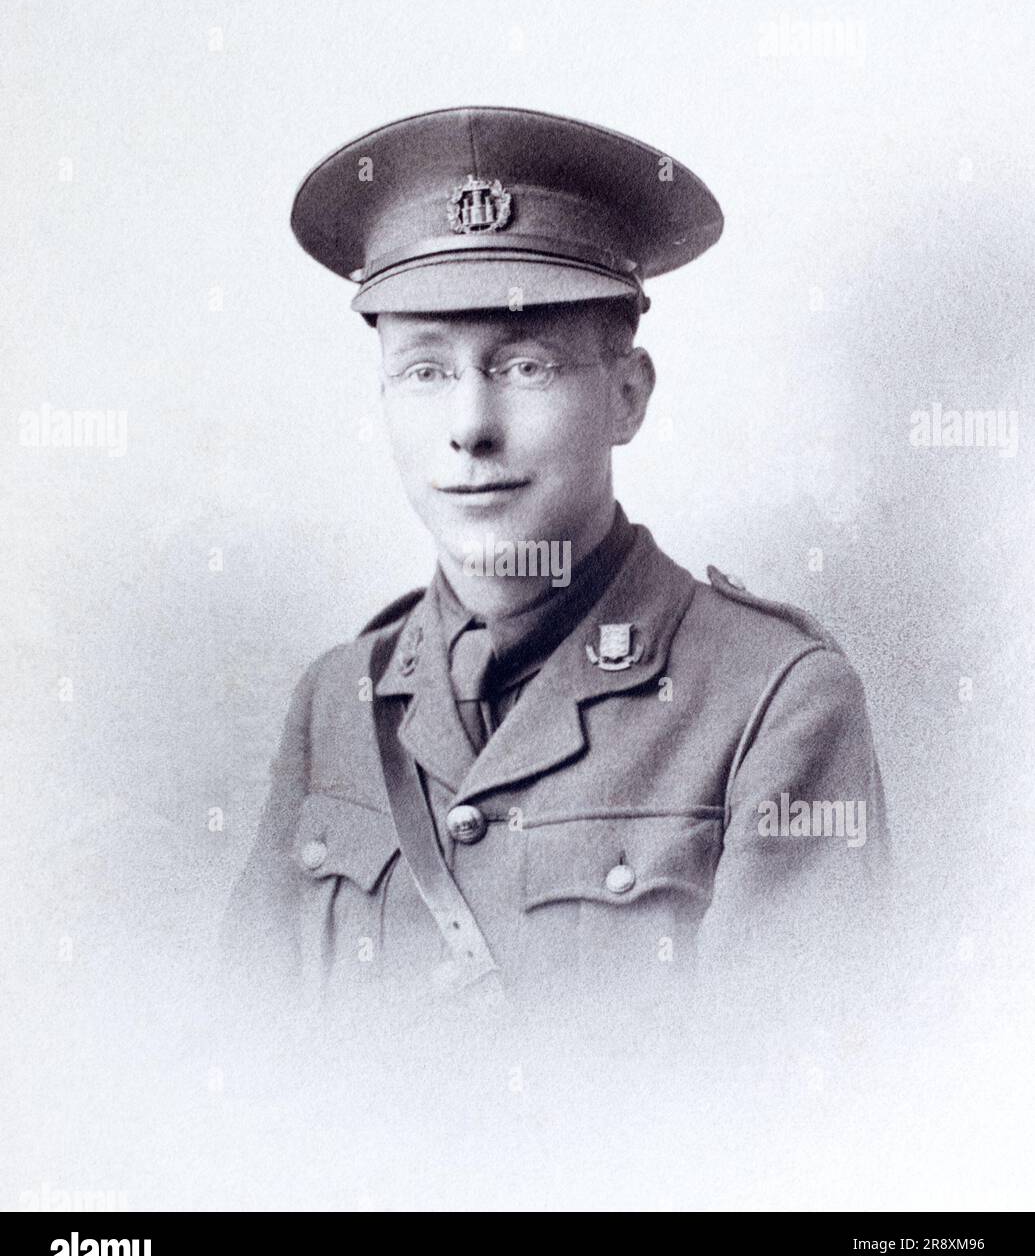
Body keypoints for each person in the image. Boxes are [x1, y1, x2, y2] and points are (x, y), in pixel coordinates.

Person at [221, 106, 888, 1038]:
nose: (468, 425)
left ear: (626, 396)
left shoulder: (772, 702)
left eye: (523, 365)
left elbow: (781, 1132)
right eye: (422, 371)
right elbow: (239, 1079)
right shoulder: (338, 701)